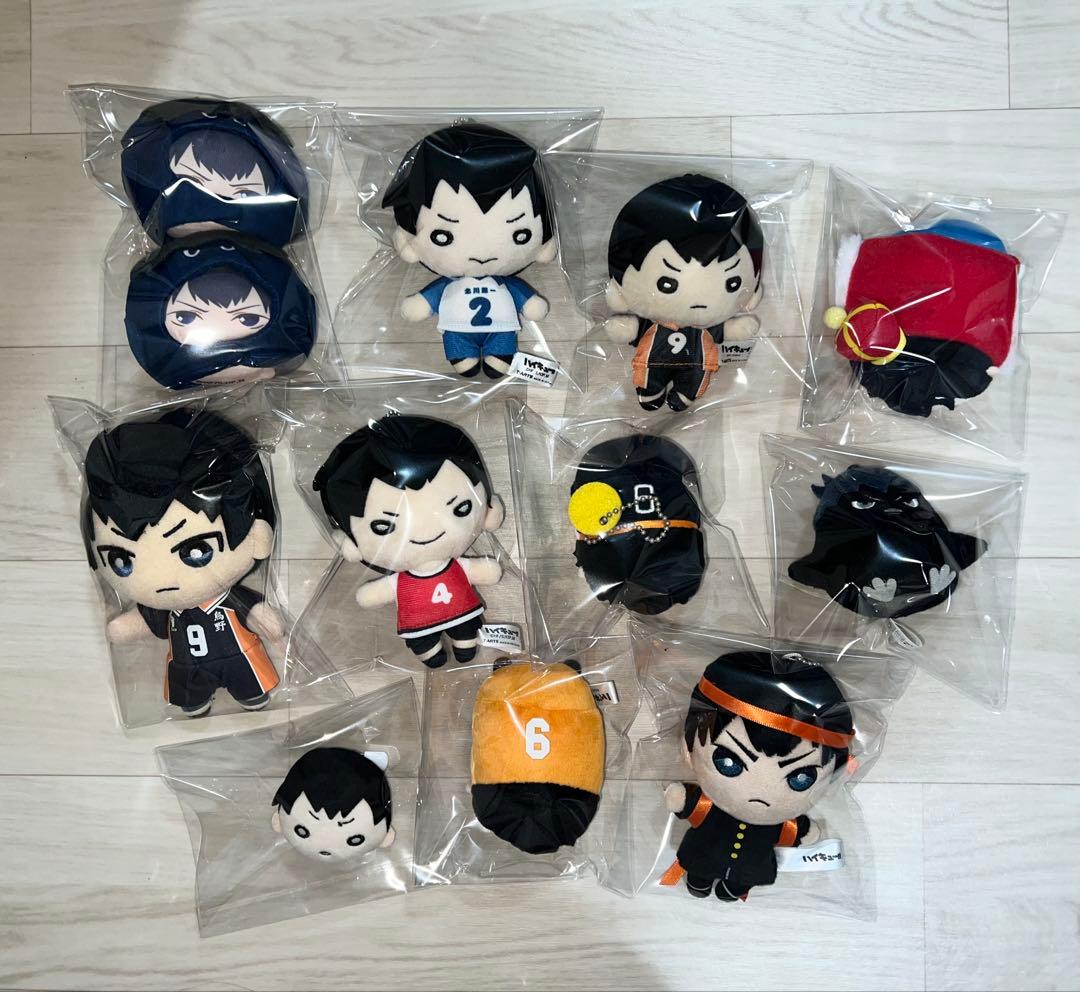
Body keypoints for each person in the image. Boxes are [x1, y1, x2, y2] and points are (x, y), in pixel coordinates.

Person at [82, 409, 282, 716]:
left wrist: (267, 622)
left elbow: (259, 615)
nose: (162, 581)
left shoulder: (228, 600)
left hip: (238, 658)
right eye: (122, 562)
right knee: (189, 697)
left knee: (250, 686)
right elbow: (140, 623)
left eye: (197, 551)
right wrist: (123, 628)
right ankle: (196, 703)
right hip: (187, 668)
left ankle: (249, 695)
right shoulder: (165, 609)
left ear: (256, 537)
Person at [314, 414, 504, 668]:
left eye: (461, 508)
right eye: (384, 527)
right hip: (419, 623)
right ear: (352, 546)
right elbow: (488, 571)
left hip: (461, 612)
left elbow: (485, 572)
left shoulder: (427, 574)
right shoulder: (408, 579)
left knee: (466, 629)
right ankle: (432, 651)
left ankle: (465, 643)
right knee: (424, 642)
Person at [662, 651, 853, 901]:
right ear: (689, 748)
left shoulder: (776, 824)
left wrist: (803, 832)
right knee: (700, 871)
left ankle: (732, 889)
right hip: (703, 856)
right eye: (729, 762)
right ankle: (699, 881)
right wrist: (682, 799)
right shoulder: (710, 807)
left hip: (750, 868)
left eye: (800, 778)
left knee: (740, 880)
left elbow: (794, 831)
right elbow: (689, 803)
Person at [382, 123, 556, 378]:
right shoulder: (457, 285)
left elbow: (524, 297)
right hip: (459, 330)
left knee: (500, 349)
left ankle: (497, 357)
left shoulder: (499, 283)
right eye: (443, 236)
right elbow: (432, 296)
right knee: (459, 348)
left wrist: (530, 303)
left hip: (501, 331)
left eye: (521, 235)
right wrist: (421, 303)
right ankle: (464, 357)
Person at [605, 174, 763, 411]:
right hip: (656, 361)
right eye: (667, 284)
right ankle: (650, 391)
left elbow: (726, 330)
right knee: (650, 374)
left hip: (696, 364)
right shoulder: (659, 325)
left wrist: (735, 328)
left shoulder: (706, 329)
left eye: (732, 283)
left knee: (694, 380)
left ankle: (685, 394)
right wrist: (627, 327)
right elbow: (635, 329)